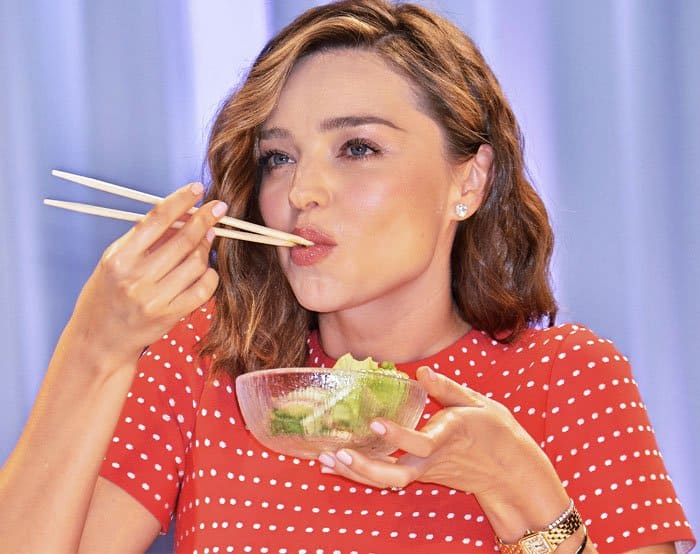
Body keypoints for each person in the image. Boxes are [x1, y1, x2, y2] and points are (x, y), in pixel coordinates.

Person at [0, 1, 695, 552]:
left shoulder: (569, 380)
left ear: (470, 180)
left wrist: (517, 488)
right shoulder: (202, 364)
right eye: (279, 157)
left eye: (357, 147)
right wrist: (94, 349)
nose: (303, 190)